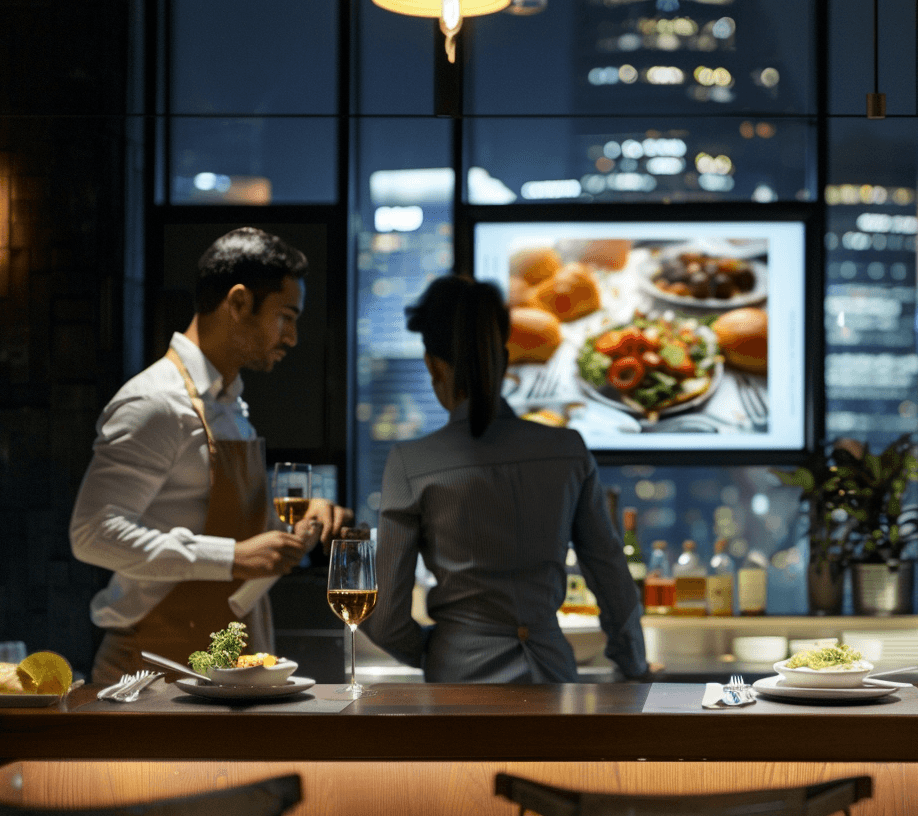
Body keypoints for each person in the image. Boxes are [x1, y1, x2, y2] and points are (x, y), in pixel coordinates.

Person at [71, 227, 352, 684]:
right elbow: (93, 532)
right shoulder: (156, 403)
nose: (294, 337)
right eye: (286, 317)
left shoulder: (229, 404)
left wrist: (291, 530)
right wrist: (233, 557)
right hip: (155, 669)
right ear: (238, 303)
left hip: (229, 667)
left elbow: (222, 528)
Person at [361, 274, 648, 683]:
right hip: (551, 675)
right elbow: (611, 576)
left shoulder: (410, 462)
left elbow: (385, 617)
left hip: (458, 684)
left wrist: (444, 649)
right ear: (504, 358)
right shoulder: (568, 450)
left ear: (433, 366)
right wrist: (634, 664)